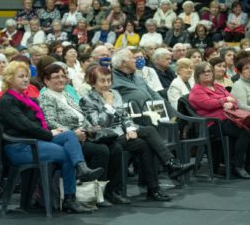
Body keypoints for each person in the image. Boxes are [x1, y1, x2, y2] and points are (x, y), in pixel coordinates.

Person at [0, 61, 103, 213]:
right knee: (67, 154)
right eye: (21, 76)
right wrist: (49, 133)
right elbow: (25, 125)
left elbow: (36, 124)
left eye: (27, 76)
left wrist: (53, 131)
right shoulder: (7, 101)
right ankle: (70, 198)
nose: (26, 79)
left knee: (69, 135)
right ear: (9, 79)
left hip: (36, 141)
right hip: (20, 147)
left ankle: (82, 168)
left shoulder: (28, 99)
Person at [80, 65, 193, 202]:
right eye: (102, 81)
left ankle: (154, 188)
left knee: (145, 145)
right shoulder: (87, 100)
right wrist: (108, 105)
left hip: (122, 132)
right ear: (93, 82)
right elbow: (99, 124)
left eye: (109, 81)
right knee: (149, 131)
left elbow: (124, 116)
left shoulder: (114, 94)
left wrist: (129, 129)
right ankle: (169, 165)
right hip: (107, 136)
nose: (107, 84)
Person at [38, 63, 129, 206]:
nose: (61, 79)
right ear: (46, 81)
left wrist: (91, 128)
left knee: (115, 147)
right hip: (67, 139)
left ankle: (111, 191)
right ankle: (95, 194)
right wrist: (73, 133)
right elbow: (50, 122)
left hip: (85, 134)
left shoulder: (67, 95)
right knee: (101, 150)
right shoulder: (45, 97)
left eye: (63, 76)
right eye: (56, 77)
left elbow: (82, 117)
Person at [188, 61, 250, 178]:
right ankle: (238, 166)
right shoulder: (197, 90)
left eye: (209, 71)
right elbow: (207, 104)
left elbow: (234, 100)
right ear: (197, 75)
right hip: (213, 123)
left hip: (230, 119)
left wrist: (230, 104)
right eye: (203, 72)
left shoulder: (218, 87)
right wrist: (224, 101)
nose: (207, 74)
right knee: (245, 131)